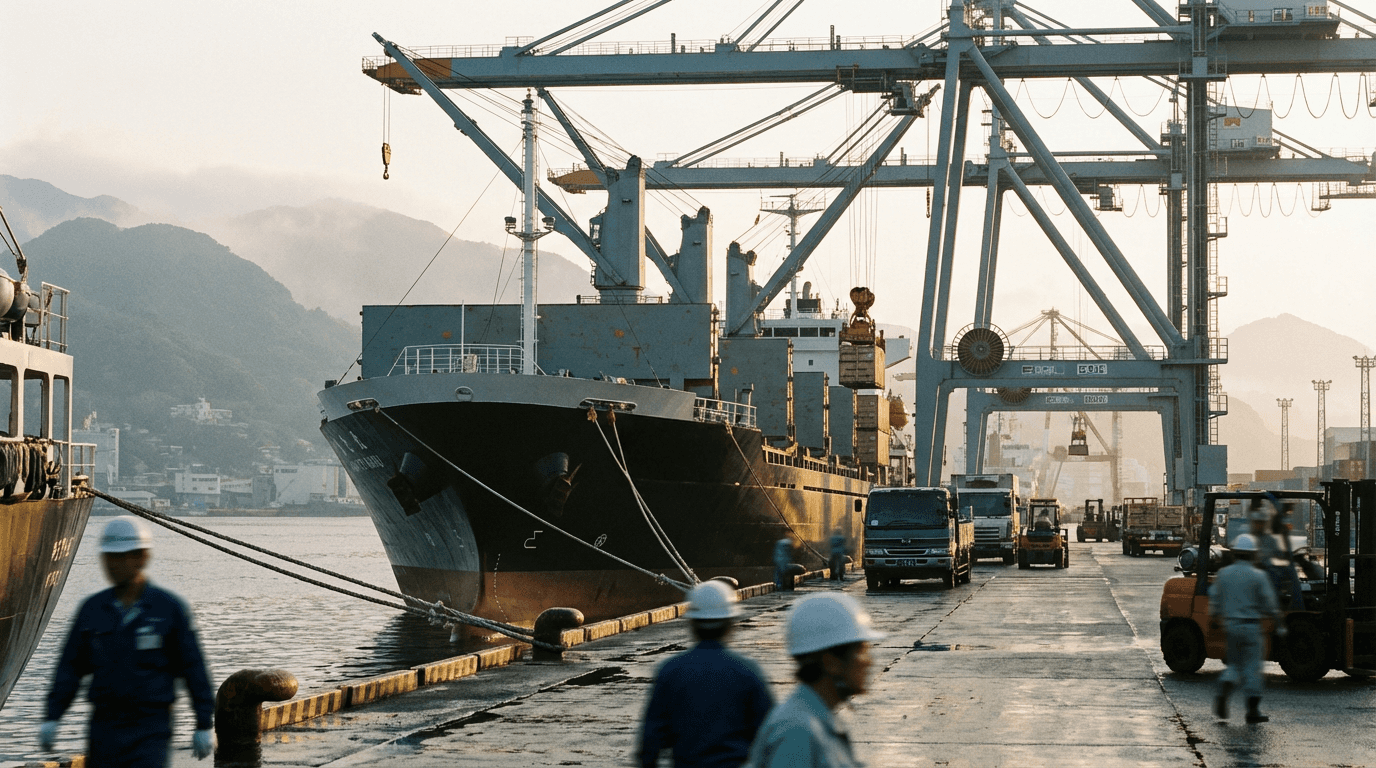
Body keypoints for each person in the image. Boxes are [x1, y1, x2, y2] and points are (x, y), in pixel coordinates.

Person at [41, 515, 216, 765]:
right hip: (104, 728)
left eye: (121, 557)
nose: (113, 565)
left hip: (150, 729)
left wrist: (203, 724)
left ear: (142, 557)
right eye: (109, 557)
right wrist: (52, 717)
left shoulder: (167, 610)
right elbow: (70, 669)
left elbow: (194, 670)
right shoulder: (92, 611)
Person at [637, 580, 773, 768]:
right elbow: (769, 737)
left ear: (692, 623)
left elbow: (650, 741)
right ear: (730, 624)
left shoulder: (670, 671)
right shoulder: (747, 672)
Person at [748, 592, 885, 768]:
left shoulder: (819, 721)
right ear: (831, 663)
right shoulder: (797, 733)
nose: (869, 661)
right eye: (861, 650)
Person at [1209, 532, 1284, 724]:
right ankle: (1252, 711)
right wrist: (1279, 623)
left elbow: (1215, 598)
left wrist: (1214, 618)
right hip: (1251, 627)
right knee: (1252, 667)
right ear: (1253, 554)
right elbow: (1269, 602)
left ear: (1234, 553)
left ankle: (1226, 685)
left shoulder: (1224, 574)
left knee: (1234, 664)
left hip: (1231, 626)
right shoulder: (1258, 575)